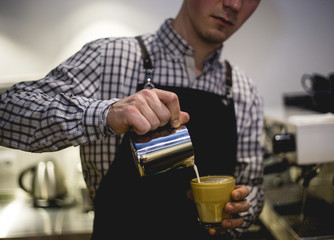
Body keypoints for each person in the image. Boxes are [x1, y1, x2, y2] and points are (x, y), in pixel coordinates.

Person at [0, 0, 263, 239]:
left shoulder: (242, 89)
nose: (234, 4)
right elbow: (7, 112)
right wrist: (105, 114)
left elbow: (253, 187)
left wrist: (239, 210)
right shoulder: (108, 57)